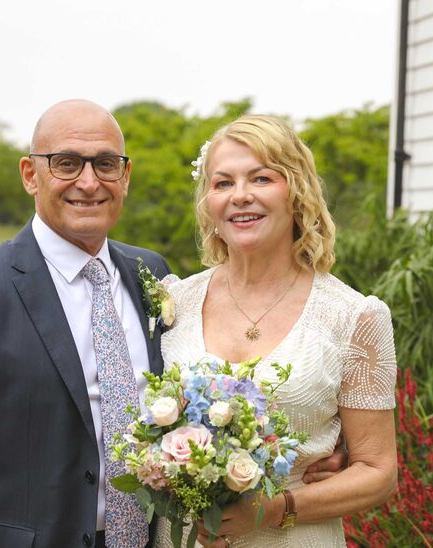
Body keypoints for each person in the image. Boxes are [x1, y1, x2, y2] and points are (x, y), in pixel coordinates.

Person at [0, 100, 346, 548]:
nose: (89, 182)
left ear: (125, 176)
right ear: (30, 175)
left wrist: (323, 445)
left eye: (106, 164)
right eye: (67, 163)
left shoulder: (151, 277)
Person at [156, 115, 398, 548]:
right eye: (223, 183)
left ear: (297, 191)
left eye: (262, 178)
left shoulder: (353, 316)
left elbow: (378, 473)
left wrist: (275, 507)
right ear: (208, 201)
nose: (240, 196)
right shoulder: (173, 302)